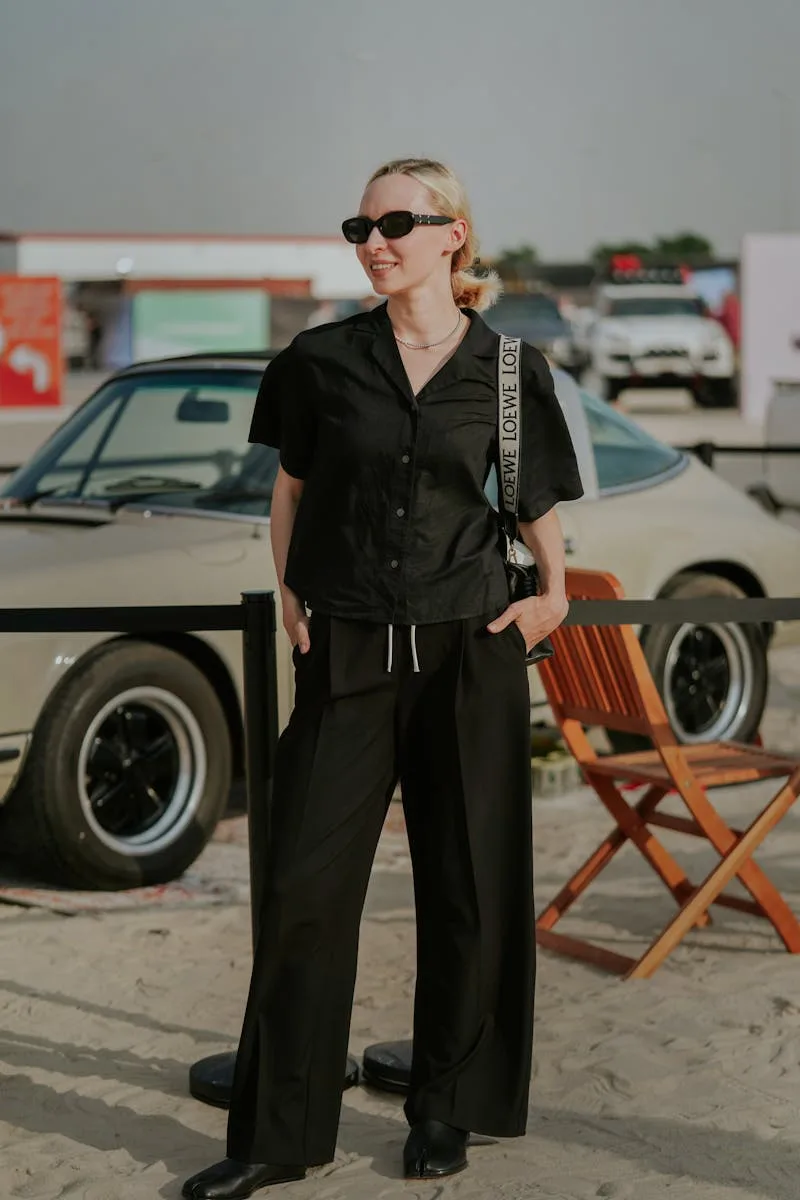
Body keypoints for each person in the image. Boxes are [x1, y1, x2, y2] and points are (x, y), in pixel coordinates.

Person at [182, 157, 584, 1200]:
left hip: (468, 647)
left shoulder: (508, 370)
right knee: (304, 890)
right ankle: (278, 1134)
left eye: (396, 223)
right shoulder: (319, 361)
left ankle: (446, 1107)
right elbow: (289, 489)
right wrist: (288, 593)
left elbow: (536, 500)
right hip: (347, 648)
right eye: (359, 227)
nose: (374, 243)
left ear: (453, 234)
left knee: (468, 886)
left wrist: (553, 595)